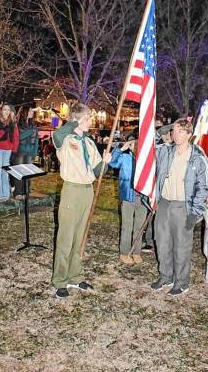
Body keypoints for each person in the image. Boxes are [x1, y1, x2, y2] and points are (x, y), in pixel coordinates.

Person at [52, 103, 111, 299]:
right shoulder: (65, 138)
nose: (90, 122)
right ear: (77, 119)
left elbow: (96, 170)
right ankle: (60, 280)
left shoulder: (89, 143)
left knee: (79, 237)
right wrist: (74, 122)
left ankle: (75, 276)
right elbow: (59, 134)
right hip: (72, 190)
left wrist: (106, 162)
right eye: (86, 118)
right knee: (66, 237)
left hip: (87, 191)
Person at [151, 118, 208, 297]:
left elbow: (203, 187)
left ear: (189, 135)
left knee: (181, 247)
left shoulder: (197, 158)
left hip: (183, 206)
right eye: (174, 131)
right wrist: (167, 127)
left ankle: (182, 282)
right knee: (162, 243)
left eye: (181, 131)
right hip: (164, 204)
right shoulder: (165, 152)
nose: (176, 135)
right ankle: (166, 276)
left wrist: (195, 213)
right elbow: (148, 142)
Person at [109, 133, 147, 265]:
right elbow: (112, 162)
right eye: (132, 144)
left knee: (139, 226)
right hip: (128, 196)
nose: (135, 146)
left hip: (143, 197)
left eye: (137, 143)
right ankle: (124, 252)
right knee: (127, 225)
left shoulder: (146, 160)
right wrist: (121, 148)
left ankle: (136, 251)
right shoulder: (124, 158)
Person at [142, 124, 174, 253]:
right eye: (164, 134)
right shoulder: (159, 148)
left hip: (172, 188)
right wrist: (160, 133)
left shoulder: (177, 149)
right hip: (158, 187)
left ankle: (164, 241)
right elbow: (149, 145)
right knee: (154, 215)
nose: (167, 136)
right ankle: (149, 240)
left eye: (169, 134)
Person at [0, 103, 19, 202]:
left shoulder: (13, 123)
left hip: (8, 151)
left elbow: (16, 138)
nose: (6, 111)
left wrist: (14, 150)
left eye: (8, 110)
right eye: (4, 109)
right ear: (1, 110)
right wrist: (3, 131)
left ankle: (5, 195)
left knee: (5, 173)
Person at [11, 106, 39, 198]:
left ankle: (25, 191)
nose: (32, 112)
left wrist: (35, 153)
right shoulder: (17, 124)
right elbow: (17, 138)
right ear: (25, 112)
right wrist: (29, 132)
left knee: (28, 173)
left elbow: (36, 140)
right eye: (30, 111)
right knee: (18, 172)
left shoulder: (34, 125)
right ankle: (18, 192)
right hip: (20, 151)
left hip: (29, 152)